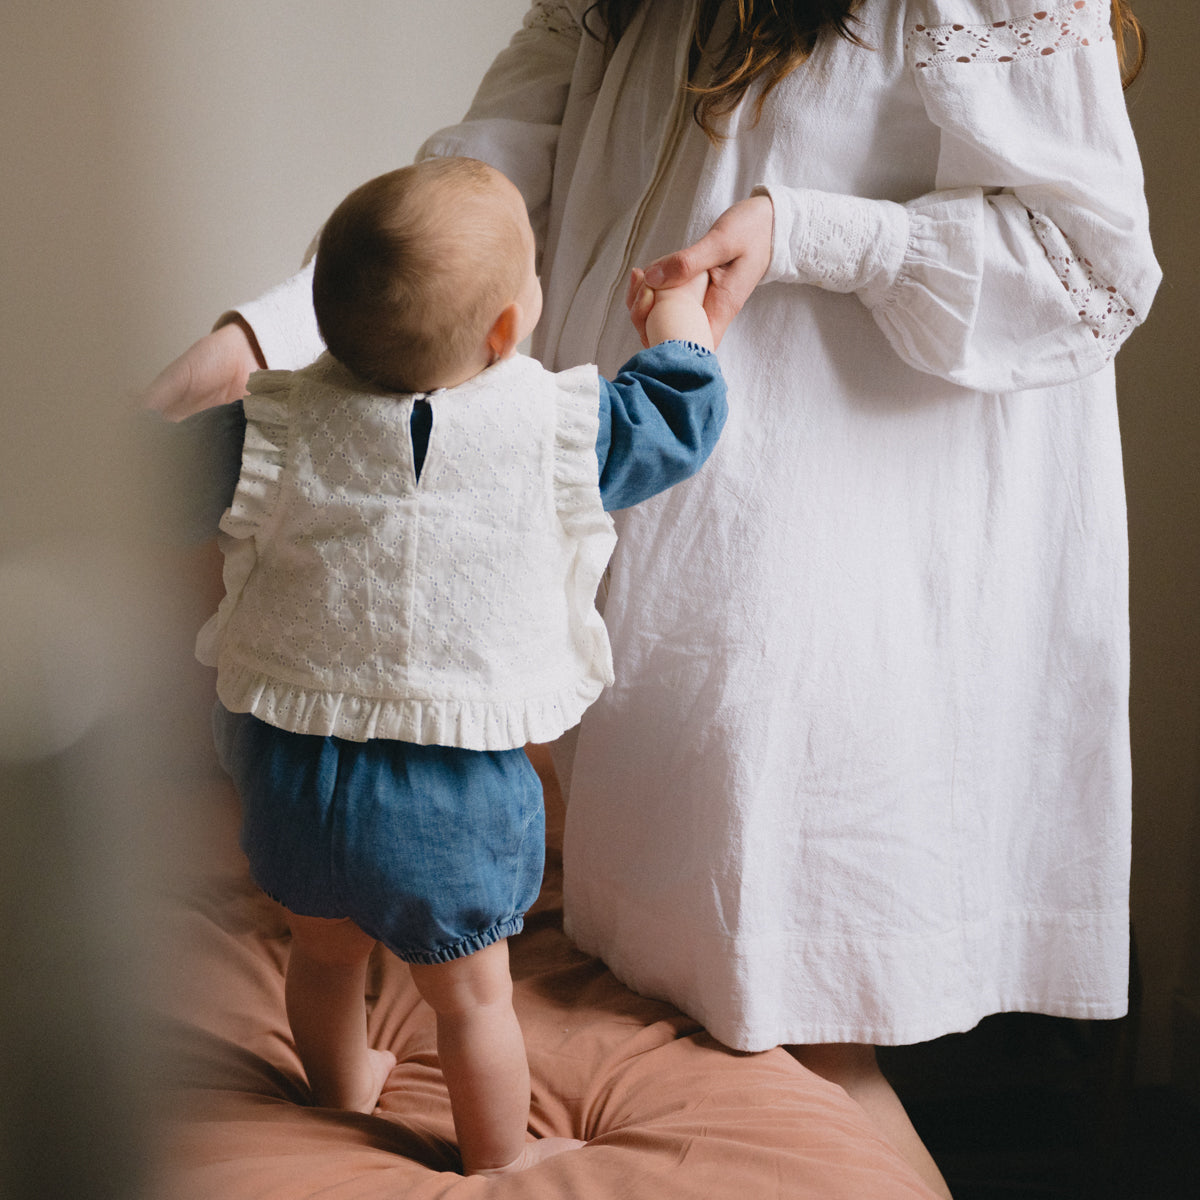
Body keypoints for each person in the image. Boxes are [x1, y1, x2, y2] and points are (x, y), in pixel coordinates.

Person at [146, 3, 1159, 1195]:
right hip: (624, 538)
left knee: (796, 1032)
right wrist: (268, 331)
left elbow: (1087, 267)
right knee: (713, 1005)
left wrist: (805, 232)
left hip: (821, 556)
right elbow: (490, 175)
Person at [164, 155, 726, 1178]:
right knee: (472, 999)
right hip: (446, 793)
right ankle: (498, 1160)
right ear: (508, 330)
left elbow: (148, 476)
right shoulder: (551, 425)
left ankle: (341, 1093)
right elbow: (674, 424)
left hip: (292, 774)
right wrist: (681, 333)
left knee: (325, 960)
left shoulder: (271, 420)